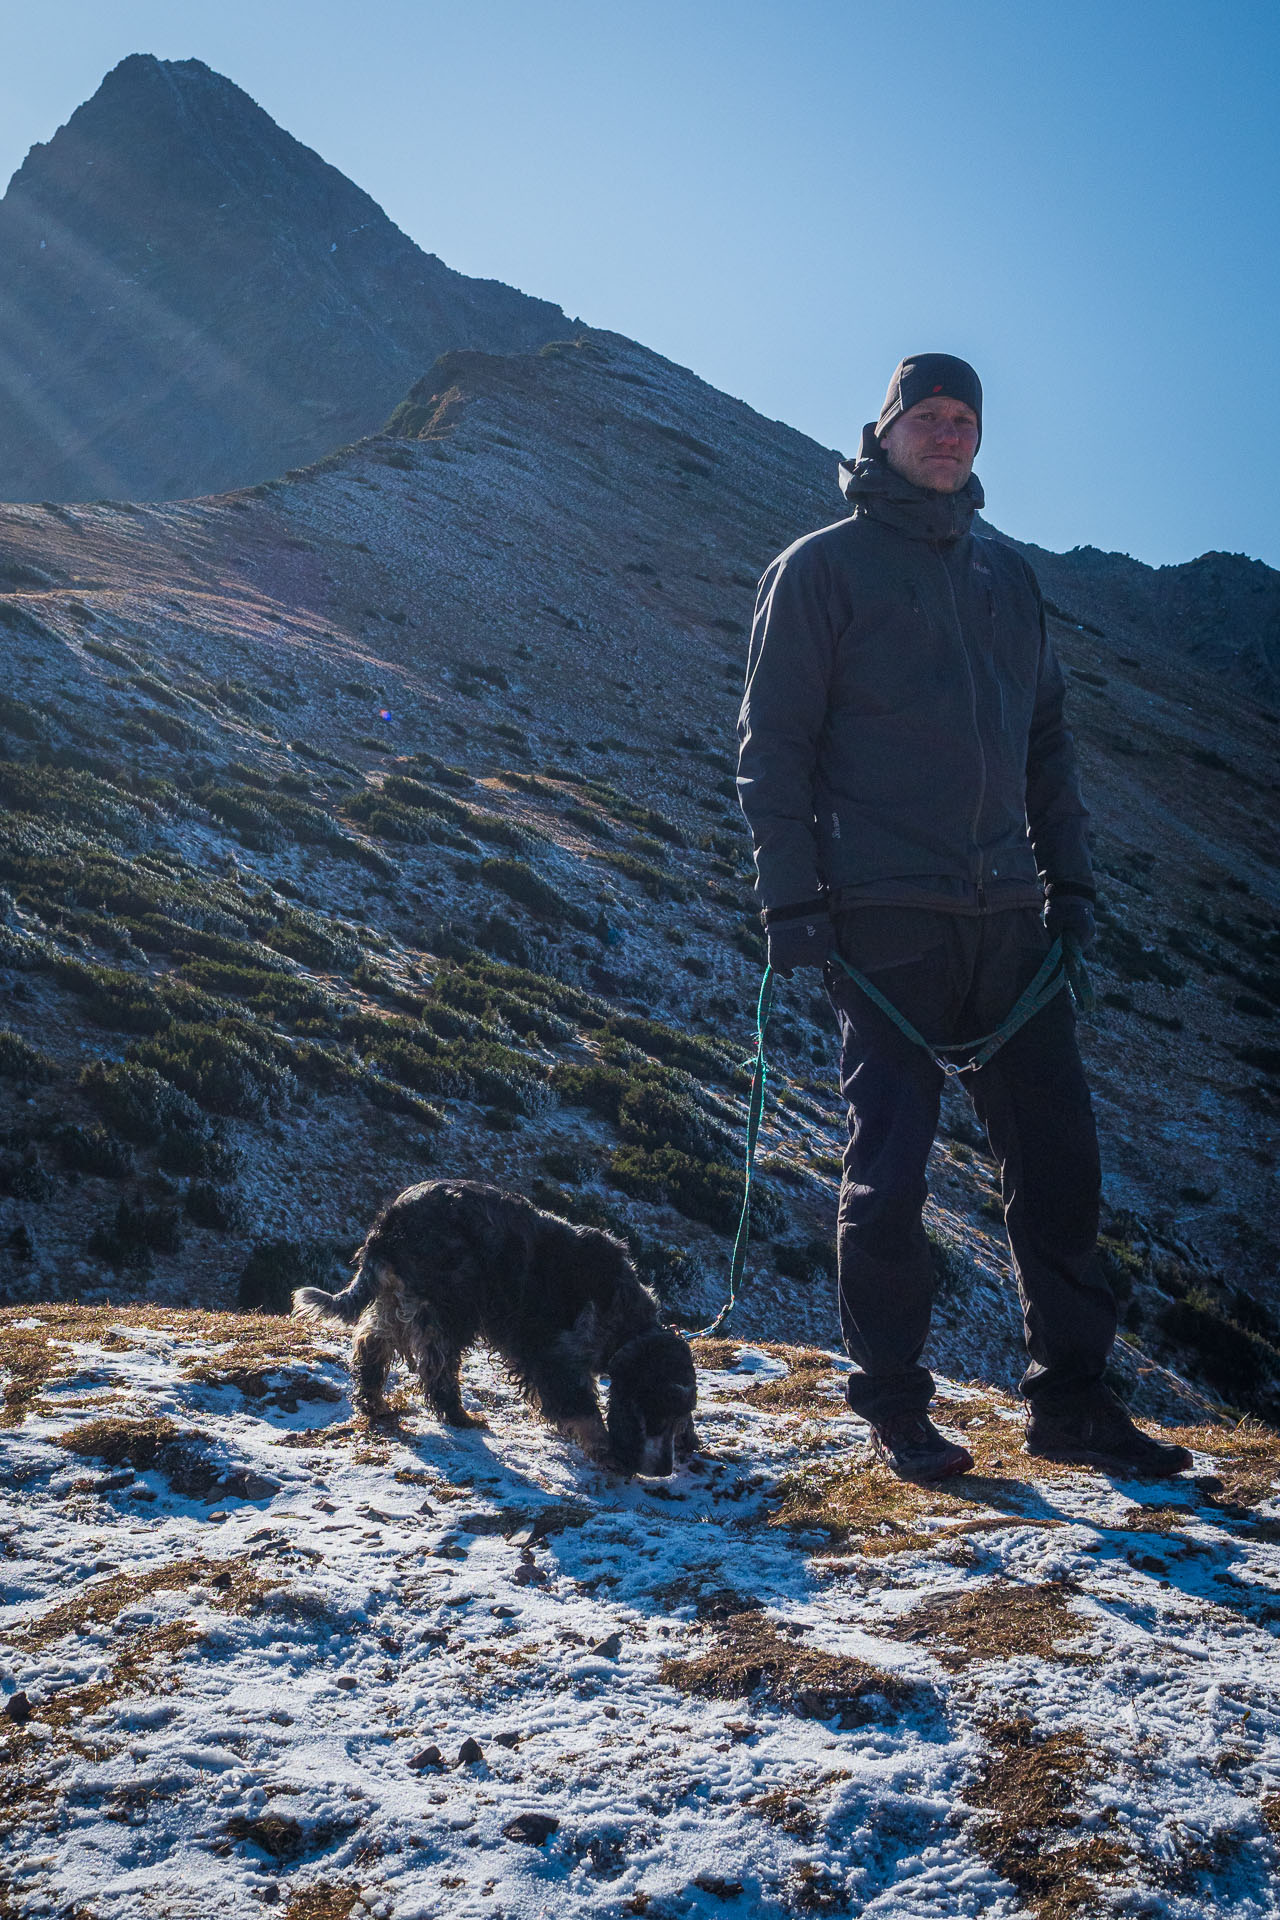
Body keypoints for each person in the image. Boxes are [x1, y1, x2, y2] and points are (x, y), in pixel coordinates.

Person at [736, 351, 1191, 1482]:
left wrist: (1071, 892)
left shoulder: (1008, 578)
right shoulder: (818, 570)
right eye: (925, 417)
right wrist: (790, 898)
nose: (947, 435)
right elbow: (772, 747)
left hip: (1011, 923)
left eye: (963, 421)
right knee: (888, 1171)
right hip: (881, 919)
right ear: (881, 431)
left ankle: (1070, 1405)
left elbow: (1045, 751)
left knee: (1060, 1167)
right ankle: (894, 1406)